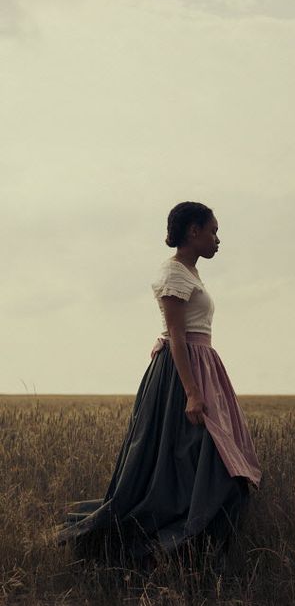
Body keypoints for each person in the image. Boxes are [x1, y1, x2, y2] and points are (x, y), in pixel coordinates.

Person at [53, 201, 262, 569]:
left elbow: (184, 332)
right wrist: (193, 393)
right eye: (213, 230)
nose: (218, 239)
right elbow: (178, 336)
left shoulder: (190, 273)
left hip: (202, 366)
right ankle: (163, 550)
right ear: (193, 231)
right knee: (203, 465)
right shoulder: (174, 274)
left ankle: (194, 554)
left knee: (218, 463)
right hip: (182, 376)